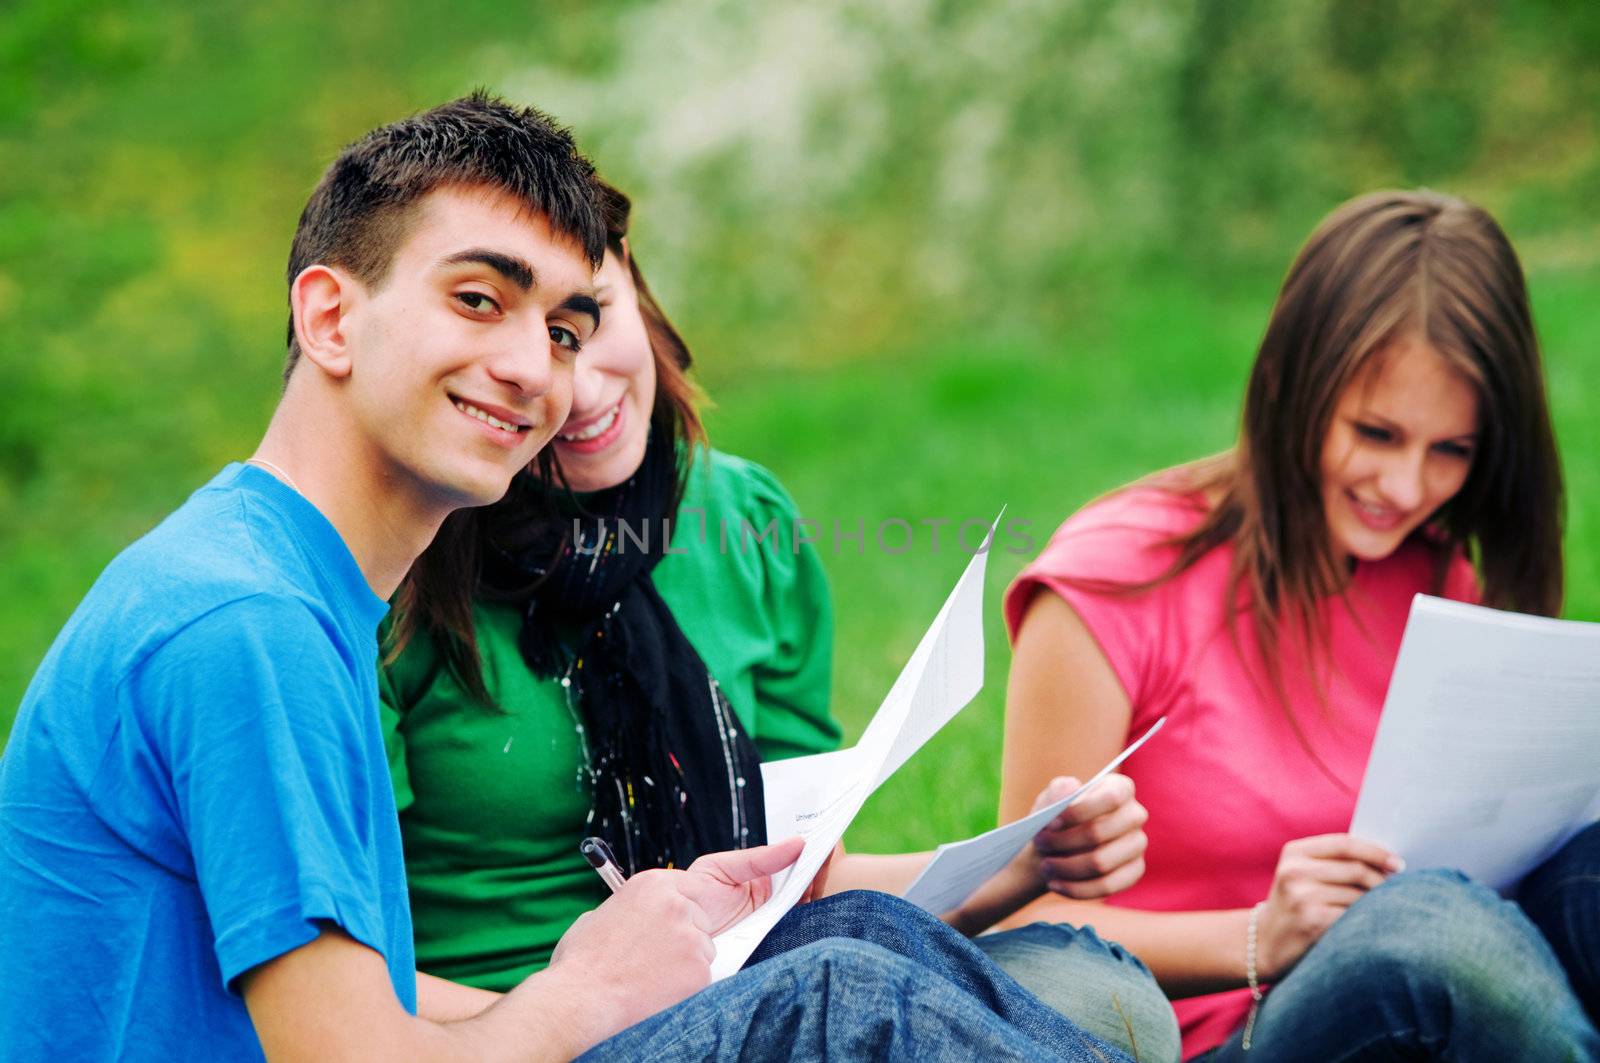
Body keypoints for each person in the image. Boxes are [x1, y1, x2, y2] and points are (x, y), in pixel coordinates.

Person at [0, 93, 1127, 1063]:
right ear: (331, 315)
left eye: (567, 322)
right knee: (844, 1001)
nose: (535, 367)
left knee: (868, 949)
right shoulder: (244, 620)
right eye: (479, 299)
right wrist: (583, 989)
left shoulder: (290, 585)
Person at [380, 180, 1180, 1060]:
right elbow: (344, 989)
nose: (577, 386)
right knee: (850, 990)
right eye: (534, 347)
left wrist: (1029, 864)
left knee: (1097, 989)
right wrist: (580, 1004)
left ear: (642, 303)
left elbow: (802, 877)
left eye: (586, 321)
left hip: (750, 963)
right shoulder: (405, 569)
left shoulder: (741, 515)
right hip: (521, 1028)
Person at [998, 189, 1600, 1061]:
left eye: (1451, 451)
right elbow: (1018, 921)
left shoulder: (1439, 574)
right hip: (1218, 1037)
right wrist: (1259, 935)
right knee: (1429, 929)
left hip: (1436, 1011)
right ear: (1290, 385)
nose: (1405, 485)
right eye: (1377, 432)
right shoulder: (1114, 581)